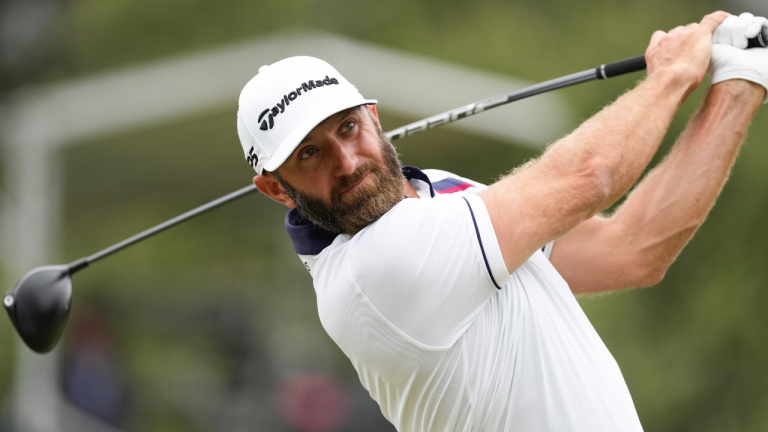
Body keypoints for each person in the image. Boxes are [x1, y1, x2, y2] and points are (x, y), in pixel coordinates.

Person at [236, 11, 767, 432]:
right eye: (309, 154)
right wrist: (674, 73)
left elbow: (632, 248)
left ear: (373, 118)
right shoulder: (373, 270)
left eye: (348, 128)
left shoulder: (437, 193)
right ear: (276, 189)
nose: (347, 162)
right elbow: (589, 176)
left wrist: (740, 80)